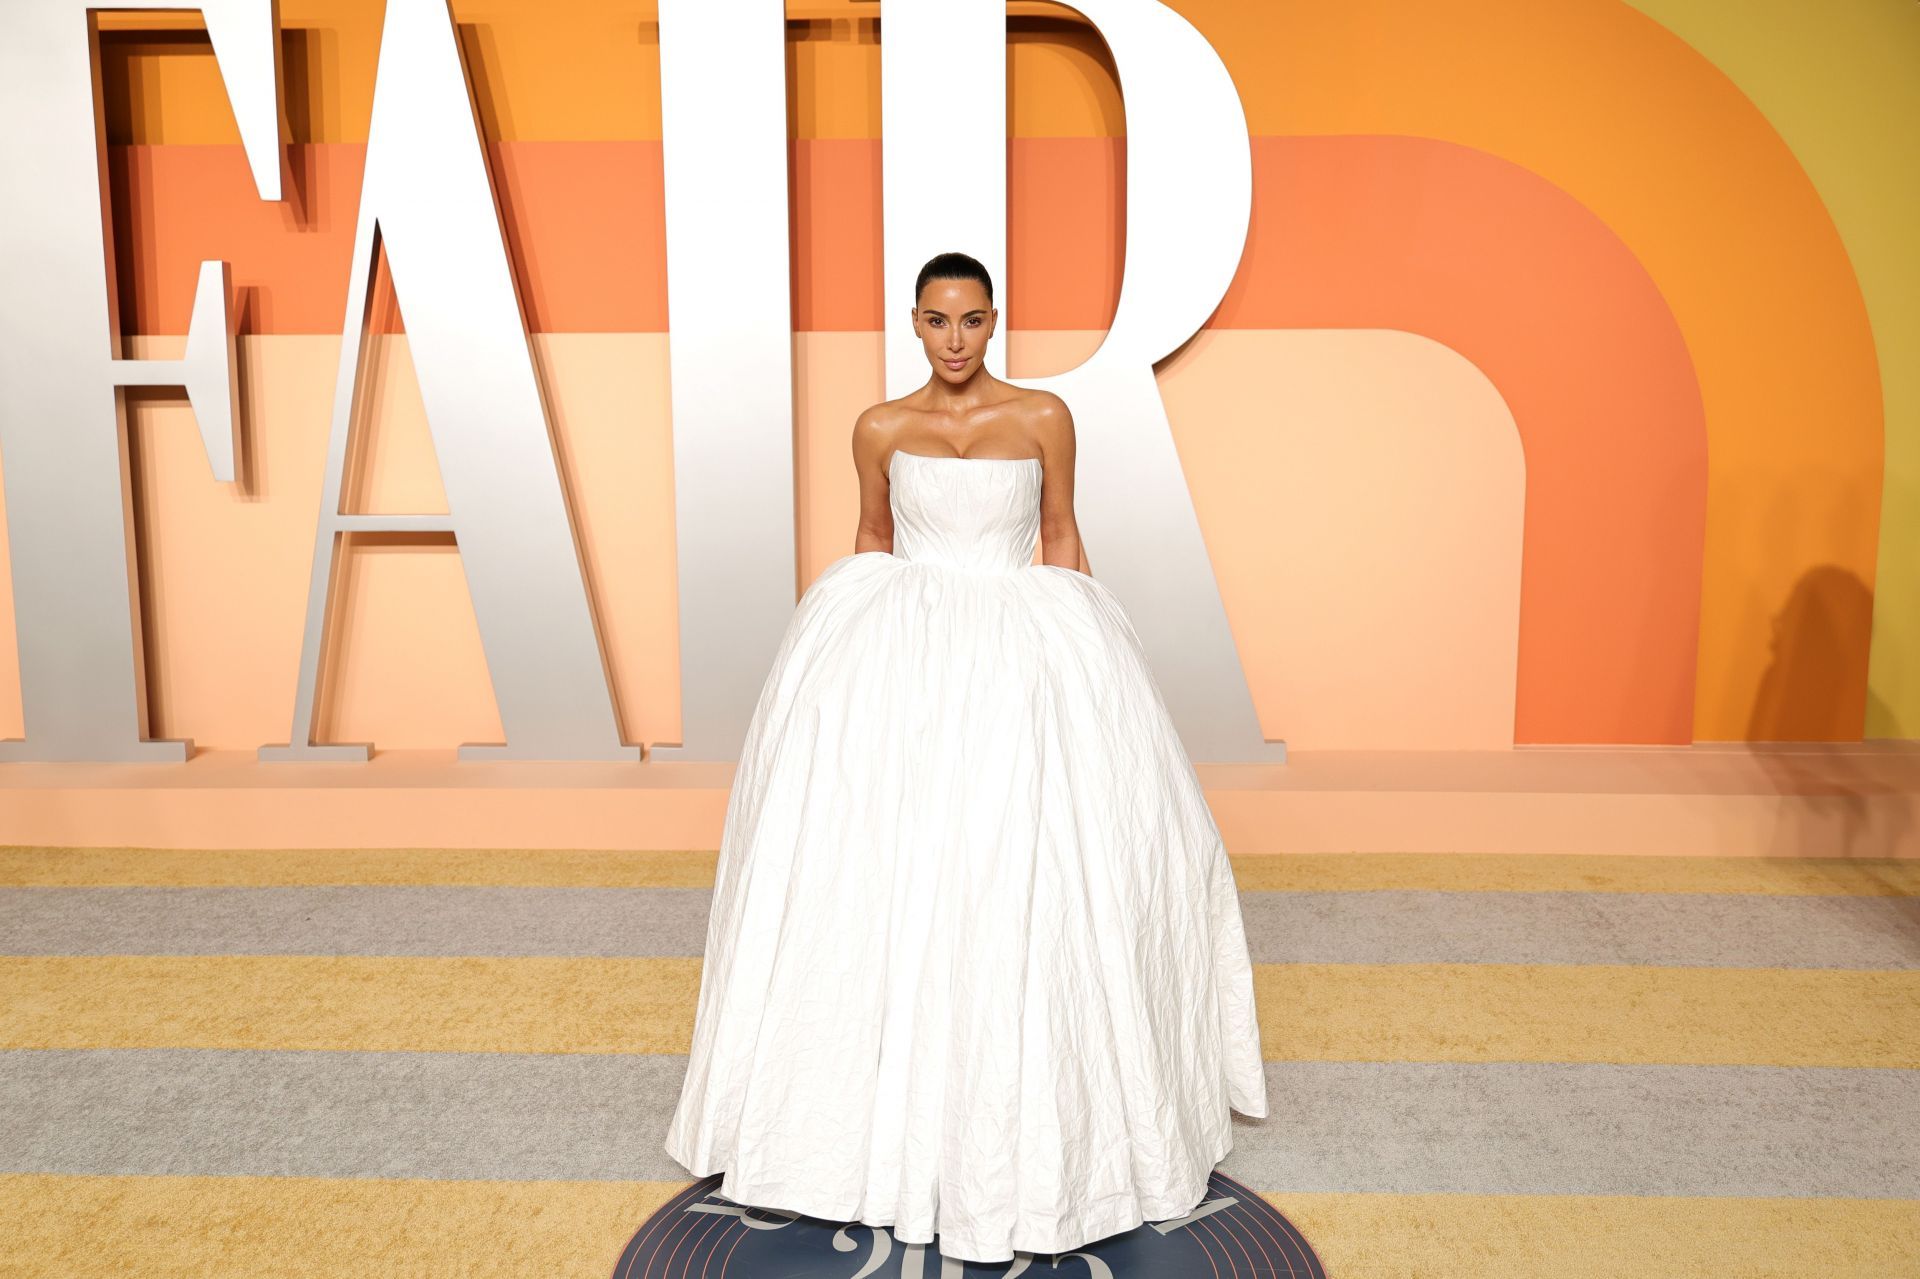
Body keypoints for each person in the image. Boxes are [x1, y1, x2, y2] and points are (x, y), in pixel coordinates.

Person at [662, 250, 1267, 1264]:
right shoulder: (881, 427)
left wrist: (1084, 660)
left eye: (971, 320)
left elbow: (1062, 534)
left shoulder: (1043, 418)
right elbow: (871, 532)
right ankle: (845, 1121)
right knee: (887, 857)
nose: (954, 338)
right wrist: (853, 670)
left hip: (1021, 639)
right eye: (937, 320)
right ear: (913, 321)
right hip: (908, 640)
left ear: (996, 322)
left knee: (1037, 858)